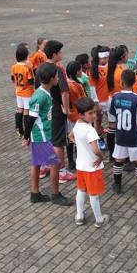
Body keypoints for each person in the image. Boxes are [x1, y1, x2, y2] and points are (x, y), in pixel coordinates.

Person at [23, 63, 73, 206]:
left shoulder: (46, 92)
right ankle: (55, 195)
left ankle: (35, 193)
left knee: (37, 163)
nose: (58, 78)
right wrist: (26, 137)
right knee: (55, 164)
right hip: (42, 136)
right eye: (57, 76)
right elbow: (30, 119)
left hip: (41, 135)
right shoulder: (39, 97)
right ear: (51, 78)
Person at [109, 69, 137, 198]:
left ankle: (117, 184)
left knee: (119, 159)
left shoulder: (115, 97)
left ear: (121, 82)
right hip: (135, 136)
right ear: (134, 82)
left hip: (121, 135)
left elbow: (112, 114)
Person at [39, 40, 76, 183]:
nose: (61, 54)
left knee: (47, 137)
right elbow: (65, 92)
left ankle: (44, 166)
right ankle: (61, 171)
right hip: (56, 110)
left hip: (45, 109)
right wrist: (66, 109)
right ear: (54, 54)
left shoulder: (40, 68)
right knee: (58, 141)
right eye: (60, 52)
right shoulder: (57, 69)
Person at [69, 97, 109, 228]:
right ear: (81, 114)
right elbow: (95, 149)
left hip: (80, 166)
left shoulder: (77, 124)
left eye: (94, 112)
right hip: (92, 167)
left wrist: (79, 145)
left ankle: (79, 216)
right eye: (90, 113)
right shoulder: (90, 130)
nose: (94, 115)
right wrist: (101, 156)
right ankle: (99, 219)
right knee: (93, 194)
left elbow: (70, 136)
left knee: (81, 190)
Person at [105, 45, 129, 162]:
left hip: (111, 99)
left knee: (111, 128)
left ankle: (111, 154)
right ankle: (124, 155)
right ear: (123, 57)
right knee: (124, 128)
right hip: (121, 101)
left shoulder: (110, 67)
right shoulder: (122, 71)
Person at [89, 45, 111, 151]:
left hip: (110, 99)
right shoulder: (94, 69)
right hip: (100, 101)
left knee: (112, 120)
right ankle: (100, 139)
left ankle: (112, 138)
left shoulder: (111, 66)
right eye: (105, 57)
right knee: (97, 121)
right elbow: (92, 88)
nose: (107, 59)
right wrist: (96, 103)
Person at [66, 61, 87, 171]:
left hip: (69, 116)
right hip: (77, 116)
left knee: (69, 139)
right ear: (76, 72)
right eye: (80, 70)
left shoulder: (65, 84)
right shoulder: (77, 85)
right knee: (78, 140)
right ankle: (79, 160)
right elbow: (83, 101)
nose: (81, 72)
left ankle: (70, 161)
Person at [11, 45, 35, 138]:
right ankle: (27, 132)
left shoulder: (14, 66)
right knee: (26, 110)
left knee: (19, 108)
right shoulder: (27, 67)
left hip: (18, 91)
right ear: (26, 56)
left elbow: (13, 79)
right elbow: (31, 81)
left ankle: (19, 129)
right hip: (27, 92)